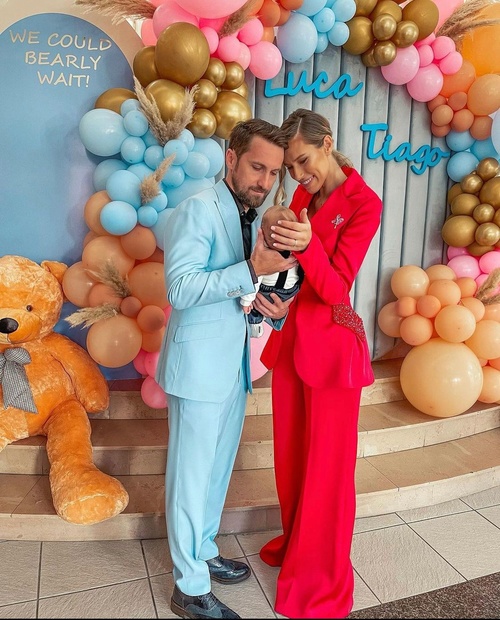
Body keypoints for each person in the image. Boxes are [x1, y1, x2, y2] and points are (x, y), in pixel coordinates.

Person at [155, 118, 297, 620]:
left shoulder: (250, 217)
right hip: (196, 368)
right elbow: (181, 289)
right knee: (191, 478)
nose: (265, 181)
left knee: (216, 472)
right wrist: (252, 270)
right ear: (230, 159)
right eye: (257, 167)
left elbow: (238, 291)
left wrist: (268, 307)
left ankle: (205, 550)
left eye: (274, 173)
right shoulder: (197, 209)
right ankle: (189, 587)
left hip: (233, 365)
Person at [252, 108, 383, 619]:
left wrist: (307, 248)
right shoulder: (305, 197)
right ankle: (298, 545)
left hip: (333, 353)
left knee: (328, 470)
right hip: (293, 342)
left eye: (303, 161)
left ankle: (321, 576)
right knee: (291, 461)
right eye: (290, 167)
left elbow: (337, 288)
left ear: (326, 143)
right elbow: (300, 276)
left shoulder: (364, 204)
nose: (297, 175)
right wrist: (281, 299)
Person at [239, 204, 304, 337]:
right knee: (257, 305)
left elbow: (254, 280)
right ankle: (255, 323)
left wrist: (246, 301)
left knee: (256, 306)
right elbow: (255, 277)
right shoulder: (265, 256)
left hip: (284, 292)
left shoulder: (295, 250)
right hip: (277, 291)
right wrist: (247, 300)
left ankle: (256, 321)